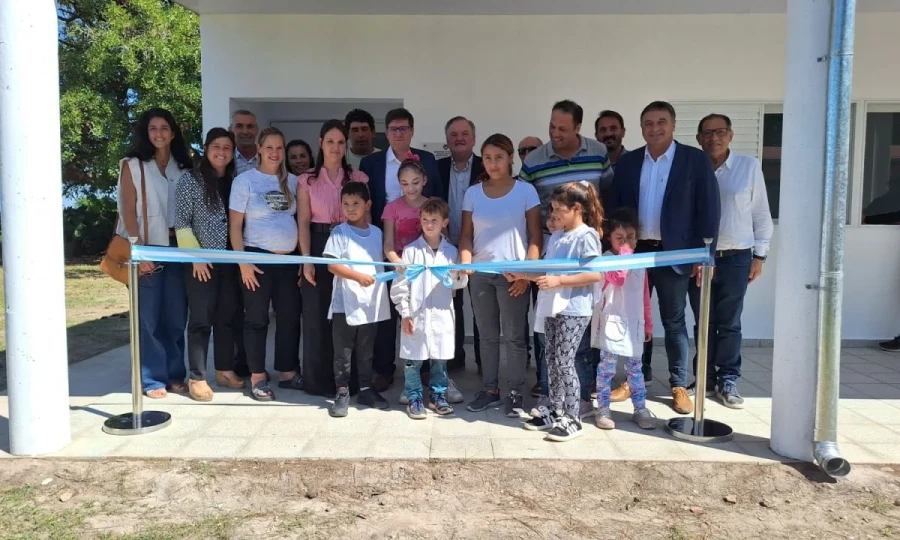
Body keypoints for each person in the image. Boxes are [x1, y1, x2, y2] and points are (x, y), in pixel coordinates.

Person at [608, 101, 720, 415]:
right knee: (636, 321)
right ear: (641, 127)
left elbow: (709, 209)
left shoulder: (694, 160)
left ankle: (679, 385)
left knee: (674, 321)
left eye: (661, 122)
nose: (654, 128)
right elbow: (616, 207)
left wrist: (705, 255)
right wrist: (618, 246)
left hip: (676, 252)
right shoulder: (629, 162)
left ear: (672, 125)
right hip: (637, 252)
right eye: (648, 123)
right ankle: (634, 379)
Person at [520, 100, 614, 420]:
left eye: (562, 128)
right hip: (550, 258)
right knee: (551, 346)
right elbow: (526, 207)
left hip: (576, 284)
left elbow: (609, 197)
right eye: (551, 127)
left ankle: (578, 405)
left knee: (575, 349)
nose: (555, 133)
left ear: (577, 128)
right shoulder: (534, 161)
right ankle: (552, 399)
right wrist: (522, 272)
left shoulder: (599, 153)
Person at [687, 113, 773, 409]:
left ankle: (728, 379)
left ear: (731, 135)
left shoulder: (748, 167)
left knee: (730, 322)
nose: (713, 137)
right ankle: (703, 377)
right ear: (698, 139)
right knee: (703, 321)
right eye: (707, 133)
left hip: (737, 256)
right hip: (700, 258)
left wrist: (760, 255)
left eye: (720, 131)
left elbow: (761, 213)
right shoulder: (692, 168)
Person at [511, 182, 604, 442]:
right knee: (550, 359)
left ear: (577, 209)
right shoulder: (557, 236)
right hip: (552, 305)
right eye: (552, 209)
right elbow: (547, 270)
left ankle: (573, 417)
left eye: (559, 210)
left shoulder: (587, 236)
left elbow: (594, 273)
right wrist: (521, 274)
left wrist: (560, 281)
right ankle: (553, 409)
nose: (554, 215)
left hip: (574, 308)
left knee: (565, 361)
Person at [359, 107, 443, 391]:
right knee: (388, 311)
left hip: (424, 251)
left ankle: (427, 367)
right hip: (388, 247)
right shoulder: (370, 163)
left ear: (412, 130)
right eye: (393, 129)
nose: (398, 133)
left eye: (403, 128)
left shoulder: (428, 160)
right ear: (386, 132)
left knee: (423, 309)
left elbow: (437, 203)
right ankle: (383, 368)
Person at [459, 134, 542, 416]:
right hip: (481, 275)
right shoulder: (473, 193)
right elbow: (466, 236)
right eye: (488, 158)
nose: (493, 164)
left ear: (511, 159)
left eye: (499, 157)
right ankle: (490, 389)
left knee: (515, 337)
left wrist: (525, 275)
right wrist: (466, 262)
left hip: (514, 276)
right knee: (487, 336)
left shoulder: (526, 191)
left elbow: (535, 237)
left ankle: (516, 392)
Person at [116, 107, 193, 398]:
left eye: (164, 128)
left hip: (177, 248)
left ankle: (175, 374)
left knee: (175, 316)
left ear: (173, 133)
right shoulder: (133, 165)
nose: (159, 133)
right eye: (153, 128)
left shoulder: (184, 166)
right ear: (146, 133)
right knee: (148, 317)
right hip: (146, 247)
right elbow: (126, 208)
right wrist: (136, 249)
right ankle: (152, 379)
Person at [228, 126, 302, 401]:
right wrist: (243, 263)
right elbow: (235, 227)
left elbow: (299, 221)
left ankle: (287, 372)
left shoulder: (293, 182)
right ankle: (257, 376)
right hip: (256, 260)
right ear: (259, 148)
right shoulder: (245, 181)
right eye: (269, 147)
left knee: (289, 319)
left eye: (279, 148)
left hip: (288, 261)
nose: (275, 153)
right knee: (256, 319)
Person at [297, 120, 370, 397]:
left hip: (351, 244)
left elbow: (367, 220)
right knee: (316, 316)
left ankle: (348, 381)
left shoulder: (359, 178)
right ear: (320, 142)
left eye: (341, 142)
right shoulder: (308, 180)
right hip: (318, 244)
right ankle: (317, 382)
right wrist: (306, 260)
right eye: (330, 141)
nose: (336, 147)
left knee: (346, 315)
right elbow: (303, 221)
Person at [174, 128, 246, 401]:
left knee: (227, 319)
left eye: (228, 148)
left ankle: (225, 370)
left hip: (230, 262)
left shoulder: (236, 181)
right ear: (206, 148)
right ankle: (197, 377)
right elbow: (182, 223)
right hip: (200, 264)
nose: (222, 152)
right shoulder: (190, 180)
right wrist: (197, 258)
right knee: (201, 321)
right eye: (217, 146)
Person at [391, 198, 468, 419]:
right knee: (413, 360)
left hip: (442, 314)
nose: (429, 224)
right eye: (425, 219)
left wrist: (456, 276)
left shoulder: (451, 252)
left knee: (439, 359)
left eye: (434, 220)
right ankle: (414, 397)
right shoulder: (410, 251)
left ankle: (438, 396)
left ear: (444, 222)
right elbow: (400, 286)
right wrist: (405, 313)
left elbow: (459, 284)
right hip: (416, 314)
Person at [325, 182, 391, 417]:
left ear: (368, 205)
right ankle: (342, 391)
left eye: (356, 203)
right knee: (343, 351)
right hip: (346, 301)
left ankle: (365, 388)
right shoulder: (339, 232)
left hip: (370, 302)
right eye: (346, 204)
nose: (350, 208)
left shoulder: (377, 233)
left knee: (366, 349)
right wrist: (357, 277)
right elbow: (332, 265)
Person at [592, 208, 656, 430]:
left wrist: (648, 323)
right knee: (606, 369)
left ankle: (640, 407)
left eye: (630, 238)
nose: (626, 242)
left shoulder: (641, 262)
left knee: (635, 370)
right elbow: (618, 278)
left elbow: (645, 295)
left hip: (634, 324)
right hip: (611, 321)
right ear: (609, 237)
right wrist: (625, 255)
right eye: (620, 238)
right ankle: (603, 407)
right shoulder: (605, 260)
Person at [438, 116, 484, 374]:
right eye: (453, 134)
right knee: (449, 305)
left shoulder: (485, 167)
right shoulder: (436, 167)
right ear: (447, 140)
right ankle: (453, 359)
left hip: (477, 247)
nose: (459, 138)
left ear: (473, 138)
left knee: (480, 305)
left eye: (465, 133)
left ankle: (483, 361)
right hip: (444, 247)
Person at [231, 109, 260, 176]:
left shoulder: (267, 157)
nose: (245, 132)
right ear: (231, 130)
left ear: (257, 130)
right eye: (239, 126)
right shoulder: (225, 158)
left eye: (250, 126)